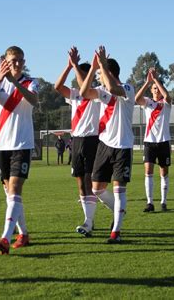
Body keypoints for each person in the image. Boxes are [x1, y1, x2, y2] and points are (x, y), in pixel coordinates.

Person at [0, 46, 39, 254]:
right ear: (4, 61)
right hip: (1, 146)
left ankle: (6, 237)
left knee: (15, 189)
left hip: (22, 145)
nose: (17, 63)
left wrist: (14, 81)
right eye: (13, 60)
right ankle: (23, 233)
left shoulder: (31, 82)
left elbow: (34, 100)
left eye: (20, 60)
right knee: (10, 193)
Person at [54, 47, 114, 237]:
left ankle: (89, 222)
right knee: (81, 183)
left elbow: (85, 87)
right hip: (77, 141)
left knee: (90, 182)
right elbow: (57, 87)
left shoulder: (97, 93)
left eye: (80, 73)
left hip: (93, 140)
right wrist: (68, 66)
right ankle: (91, 219)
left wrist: (81, 67)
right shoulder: (74, 95)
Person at [80, 46, 135, 243]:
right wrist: (95, 66)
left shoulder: (128, 89)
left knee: (119, 188)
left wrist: (102, 65)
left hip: (122, 146)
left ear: (109, 73)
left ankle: (116, 232)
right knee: (96, 189)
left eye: (99, 74)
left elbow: (113, 88)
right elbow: (84, 93)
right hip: (104, 145)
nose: (98, 78)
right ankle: (119, 211)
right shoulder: (102, 91)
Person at [135, 68, 172, 213]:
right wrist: (147, 82)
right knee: (148, 171)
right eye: (154, 88)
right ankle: (150, 202)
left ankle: (163, 201)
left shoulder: (166, 104)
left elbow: (167, 96)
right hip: (149, 142)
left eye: (158, 88)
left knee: (164, 172)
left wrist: (156, 80)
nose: (156, 90)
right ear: (151, 90)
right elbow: (137, 98)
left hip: (164, 141)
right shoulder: (147, 102)